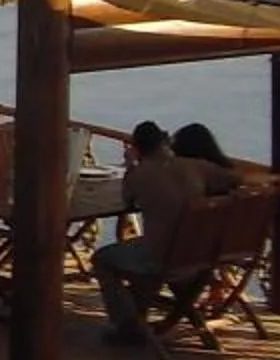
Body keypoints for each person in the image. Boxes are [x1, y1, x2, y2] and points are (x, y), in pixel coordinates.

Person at [94, 120, 240, 345]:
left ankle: (126, 324)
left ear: (138, 148)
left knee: (102, 259)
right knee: (143, 253)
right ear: (165, 143)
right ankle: (139, 316)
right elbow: (236, 179)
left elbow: (127, 201)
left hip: (163, 259)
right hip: (200, 255)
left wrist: (132, 166)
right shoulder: (195, 167)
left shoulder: (140, 174)